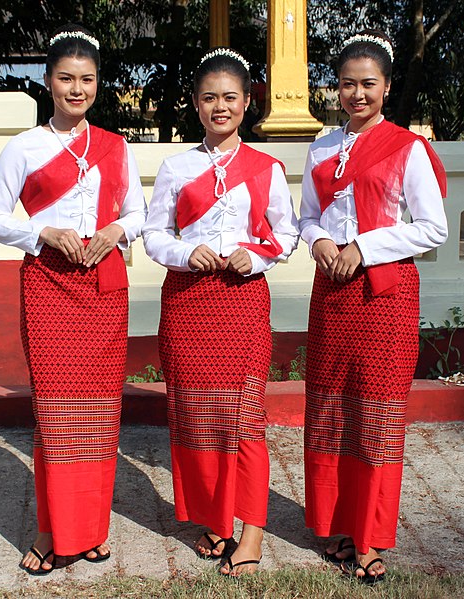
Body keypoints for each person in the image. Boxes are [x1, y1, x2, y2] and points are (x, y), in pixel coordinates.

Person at [0, 24, 147, 575]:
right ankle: (53, 532)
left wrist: (114, 232)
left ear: (99, 84)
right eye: (66, 79)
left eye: (88, 80)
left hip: (103, 289)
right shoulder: (23, 147)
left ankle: (92, 531)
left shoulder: (114, 146)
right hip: (49, 287)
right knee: (56, 414)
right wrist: (42, 234)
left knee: (99, 413)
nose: (77, 89)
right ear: (47, 82)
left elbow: (139, 214)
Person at [143, 47, 299, 576]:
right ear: (194, 104)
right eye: (209, 98)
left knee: (245, 421)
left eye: (230, 97)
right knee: (197, 418)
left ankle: (251, 529)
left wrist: (252, 255)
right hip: (188, 305)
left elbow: (288, 233)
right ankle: (215, 517)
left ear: (248, 102)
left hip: (243, 304)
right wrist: (187, 253)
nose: (220, 107)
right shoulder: (176, 167)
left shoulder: (266, 168)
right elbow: (154, 235)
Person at [299, 30, 448, 584]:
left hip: (384, 297)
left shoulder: (406, 148)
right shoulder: (320, 147)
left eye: (368, 84)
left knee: (377, 416)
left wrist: (365, 246)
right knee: (333, 410)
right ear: (335, 88)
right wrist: (318, 241)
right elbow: (306, 215)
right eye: (347, 84)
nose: (357, 94)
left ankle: (370, 539)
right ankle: (337, 524)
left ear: (386, 87)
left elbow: (433, 227)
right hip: (332, 292)